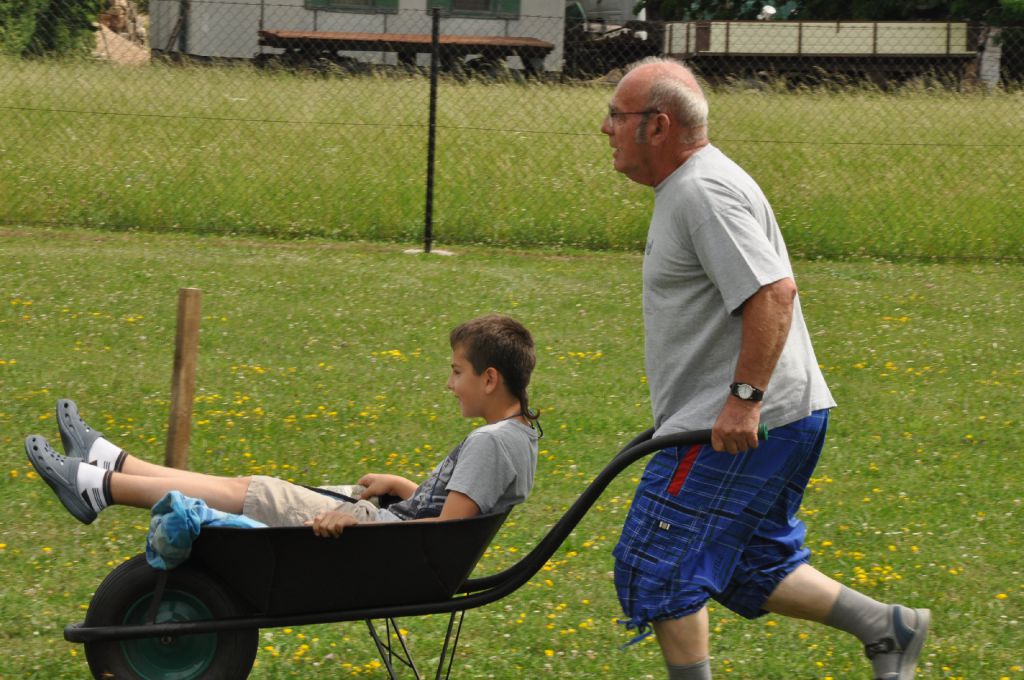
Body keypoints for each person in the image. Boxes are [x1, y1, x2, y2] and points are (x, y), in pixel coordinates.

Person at [601, 57, 929, 680]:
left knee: (655, 560)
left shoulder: (702, 192)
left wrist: (743, 400)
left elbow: (774, 293)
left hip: (739, 421)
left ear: (658, 126)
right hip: (780, 414)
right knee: (748, 561)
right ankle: (887, 628)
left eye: (616, 115)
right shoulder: (692, 185)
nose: (605, 128)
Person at [25, 314, 541, 538]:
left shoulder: (491, 444)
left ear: (490, 378)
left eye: (457, 372)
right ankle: (113, 464)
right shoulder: (517, 437)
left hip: (377, 544)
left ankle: (101, 486)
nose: (449, 384)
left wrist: (359, 523)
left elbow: (445, 532)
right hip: (384, 527)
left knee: (249, 493)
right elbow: (451, 508)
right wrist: (401, 486)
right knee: (245, 488)